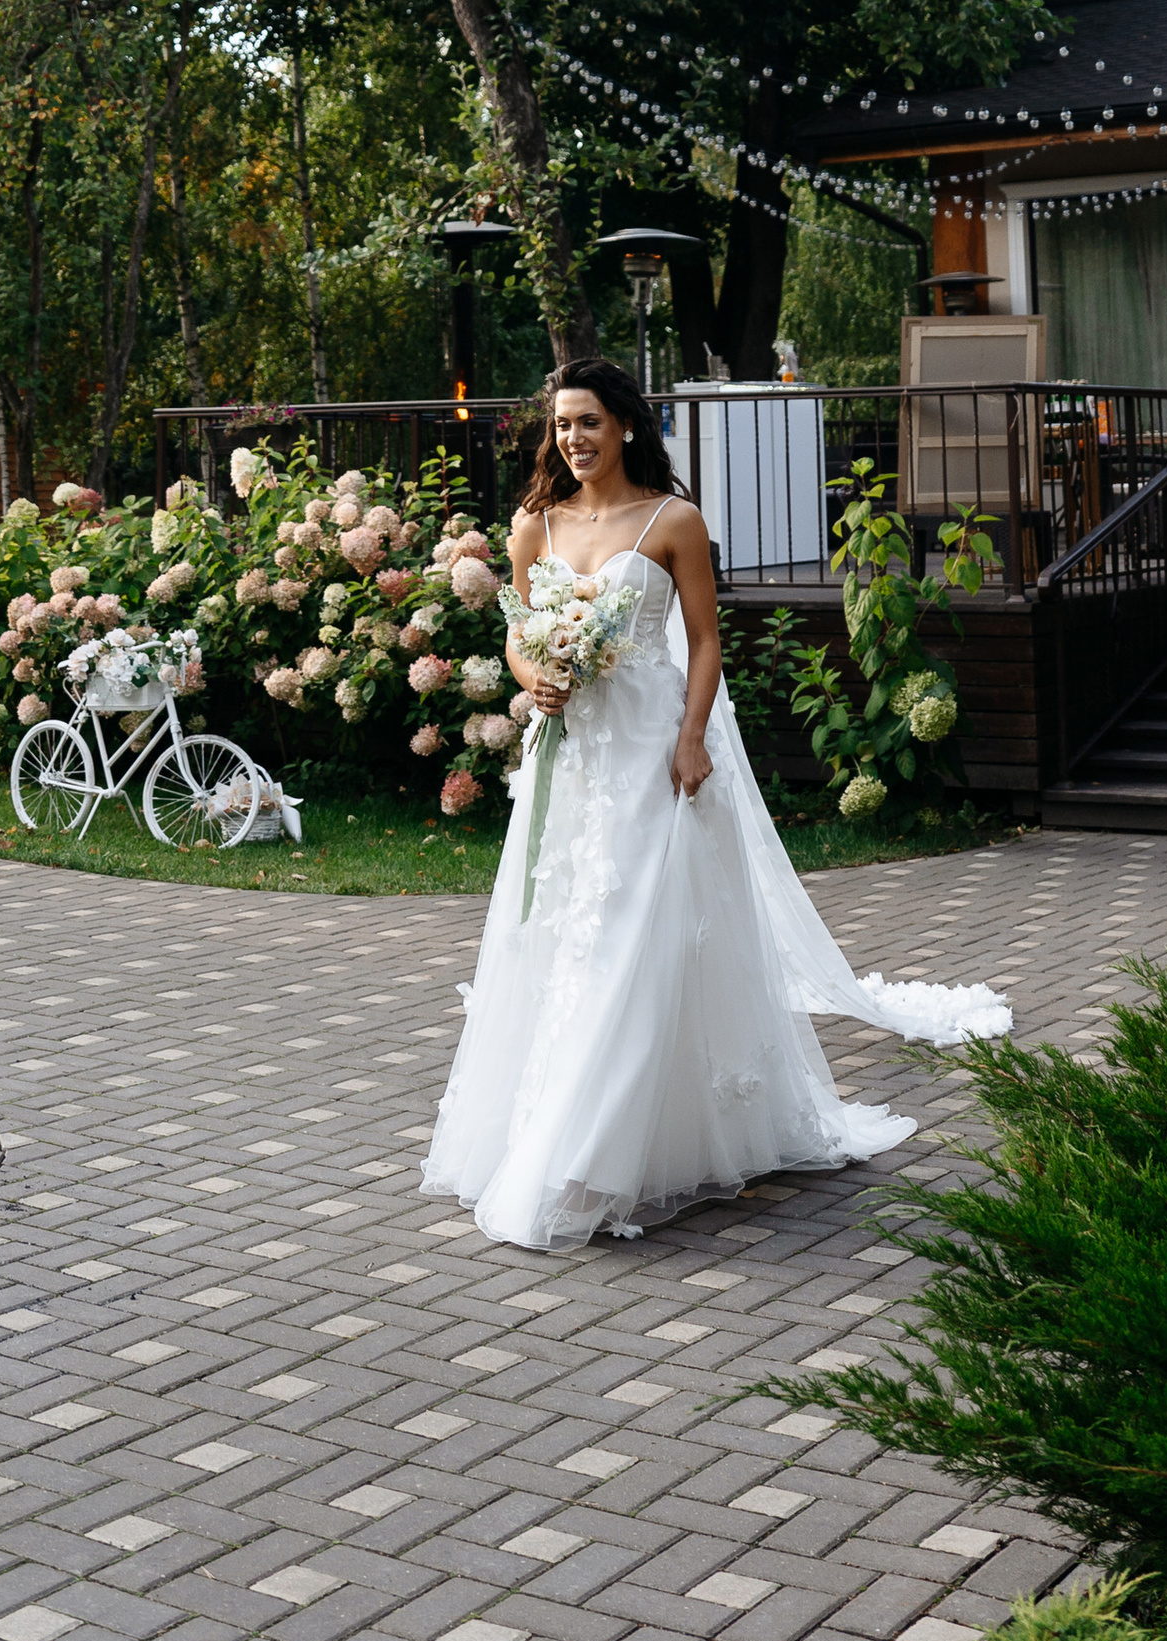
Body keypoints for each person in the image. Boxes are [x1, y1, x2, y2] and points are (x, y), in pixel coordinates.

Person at [422, 354, 1009, 1252]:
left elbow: (704, 644)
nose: (573, 439)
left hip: (654, 752)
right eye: (562, 425)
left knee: (636, 926)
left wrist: (692, 736)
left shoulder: (673, 521)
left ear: (625, 425)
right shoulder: (533, 524)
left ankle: (589, 1152)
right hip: (570, 755)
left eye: (588, 422)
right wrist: (537, 673)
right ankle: (562, 1124)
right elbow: (515, 630)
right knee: (568, 926)